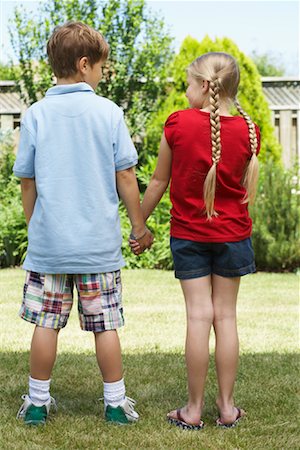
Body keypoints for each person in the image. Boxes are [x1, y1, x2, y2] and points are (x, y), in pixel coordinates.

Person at [14, 21, 153, 426]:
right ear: (84, 63)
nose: (102, 76)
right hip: (98, 247)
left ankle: (37, 402)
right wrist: (138, 226)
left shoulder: (36, 114)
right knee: (105, 325)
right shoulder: (108, 112)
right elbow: (125, 176)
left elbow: (28, 180)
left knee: (46, 323)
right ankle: (115, 404)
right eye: (101, 69)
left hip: (50, 247)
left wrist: (34, 227)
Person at [130, 52, 260, 430]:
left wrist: (139, 224)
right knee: (227, 317)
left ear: (204, 86)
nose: (185, 91)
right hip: (234, 236)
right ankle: (227, 408)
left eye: (188, 83)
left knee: (199, 317)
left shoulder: (178, 124)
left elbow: (158, 182)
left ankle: (192, 409)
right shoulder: (251, 131)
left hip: (189, 236)